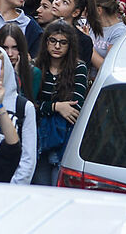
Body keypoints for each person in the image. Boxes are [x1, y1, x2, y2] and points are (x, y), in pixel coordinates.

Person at [33, 20, 88, 185]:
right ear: (46, 42)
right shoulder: (34, 66)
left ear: (69, 45)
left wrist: (45, 107)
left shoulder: (79, 67)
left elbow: (75, 107)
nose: (57, 46)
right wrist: (57, 106)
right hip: (38, 136)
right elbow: (30, 105)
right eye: (53, 41)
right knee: (40, 189)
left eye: (63, 42)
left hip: (65, 137)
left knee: (59, 187)